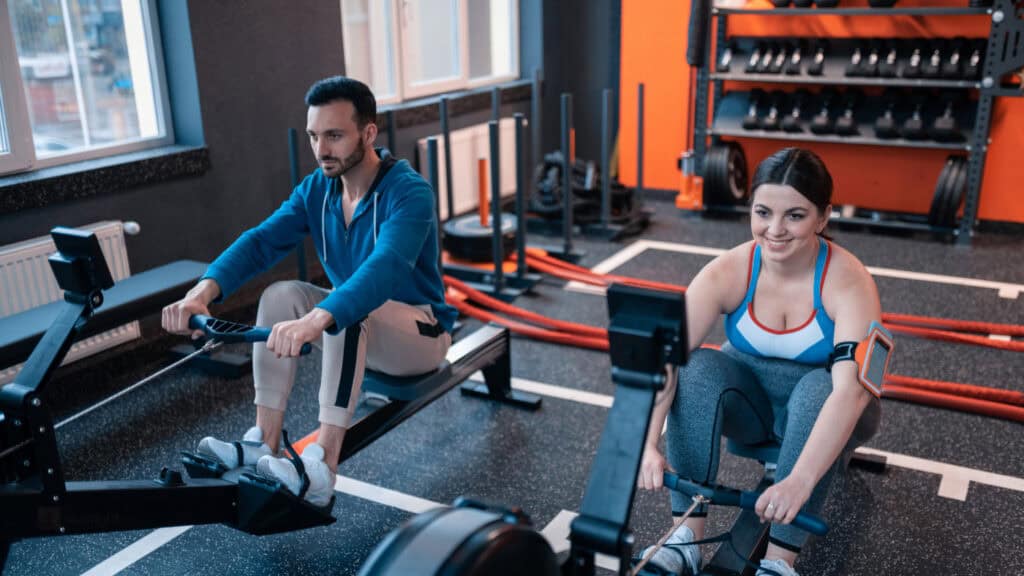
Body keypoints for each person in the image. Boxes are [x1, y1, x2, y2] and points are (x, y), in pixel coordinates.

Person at [162, 76, 456, 508]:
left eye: (335, 135)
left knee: (347, 310)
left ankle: (322, 468)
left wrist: (317, 318)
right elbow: (261, 242)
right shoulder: (317, 189)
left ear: (368, 133)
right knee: (281, 294)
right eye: (315, 136)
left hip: (420, 337)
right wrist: (201, 293)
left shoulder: (408, 191)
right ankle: (264, 441)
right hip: (357, 329)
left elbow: (386, 267)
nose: (321, 150)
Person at [637, 148, 884, 576]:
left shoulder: (849, 281)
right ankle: (686, 539)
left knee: (821, 388)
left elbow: (850, 394)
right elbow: (667, 359)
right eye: (763, 212)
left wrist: (799, 481)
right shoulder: (728, 270)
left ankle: (780, 562)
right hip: (753, 408)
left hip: (831, 409)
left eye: (795, 215)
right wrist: (644, 442)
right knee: (694, 368)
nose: (774, 230)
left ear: (823, 218)